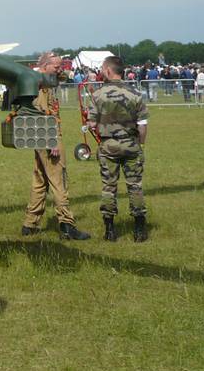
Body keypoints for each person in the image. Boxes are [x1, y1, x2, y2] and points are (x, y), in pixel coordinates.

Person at [22, 51, 91, 240]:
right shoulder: (42, 85)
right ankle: (67, 226)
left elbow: (62, 75)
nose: (60, 69)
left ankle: (30, 224)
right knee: (58, 180)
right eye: (56, 66)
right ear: (44, 66)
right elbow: (43, 113)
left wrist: (53, 64)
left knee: (40, 180)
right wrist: (52, 139)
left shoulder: (44, 79)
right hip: (48, 135)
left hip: (39, 136)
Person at [86, 56, 150, 242]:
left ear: (107, 70)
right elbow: (143, 125)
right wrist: (141, 145)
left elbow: (91, 123)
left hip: (108, 146)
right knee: (135, 186)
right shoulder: (136, 93)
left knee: (109, 187)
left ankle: (110, 230)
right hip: (131, 145)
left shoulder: (98, 95)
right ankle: (139, 229)